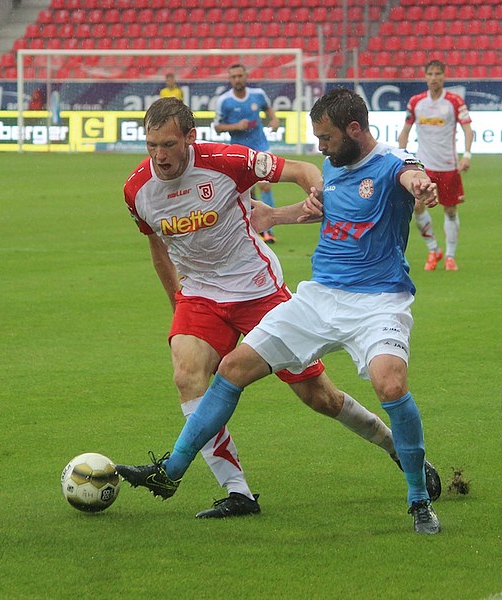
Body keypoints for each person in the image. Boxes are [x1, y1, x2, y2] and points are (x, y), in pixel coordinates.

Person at [118, 89, 443, 535]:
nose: (320, 148)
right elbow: (328, 208)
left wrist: (421, 184)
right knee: (221, 370)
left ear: (353, 130)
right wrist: (276, 216)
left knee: (343, 394)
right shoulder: (336, 163)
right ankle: (179, 473)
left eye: (325, 138)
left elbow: (409, 173)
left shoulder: (391, 160)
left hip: (365, 299)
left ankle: (415, 489)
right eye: (151, 145)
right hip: (308, 296)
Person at [398, 59, 473, 271]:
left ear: (443, 76)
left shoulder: (454, 102)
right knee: (418, 206)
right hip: (423, 167)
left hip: (448, 166)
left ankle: (450, 255)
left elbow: (468, 130)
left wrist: (467, 155)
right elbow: (405, 131)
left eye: (437, 74)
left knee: (450, 210)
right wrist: (401, 157)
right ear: (425, 77)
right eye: (430, 74)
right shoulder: (416, 102)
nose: (433, 78)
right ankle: (433, 250)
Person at [214, 64, 280, 244]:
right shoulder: (224, 101)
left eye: (240, 76)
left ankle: (268, 230)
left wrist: (274, 119)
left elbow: (268, 108)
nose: (237, 79)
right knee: (247, 192)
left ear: (246, 76)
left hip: (260, 147)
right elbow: (217, 127)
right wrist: (236, 126)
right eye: (233, 76)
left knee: (265, 185)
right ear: (230, 79)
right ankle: (253, 228)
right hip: (238, 152)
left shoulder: (258, 94)